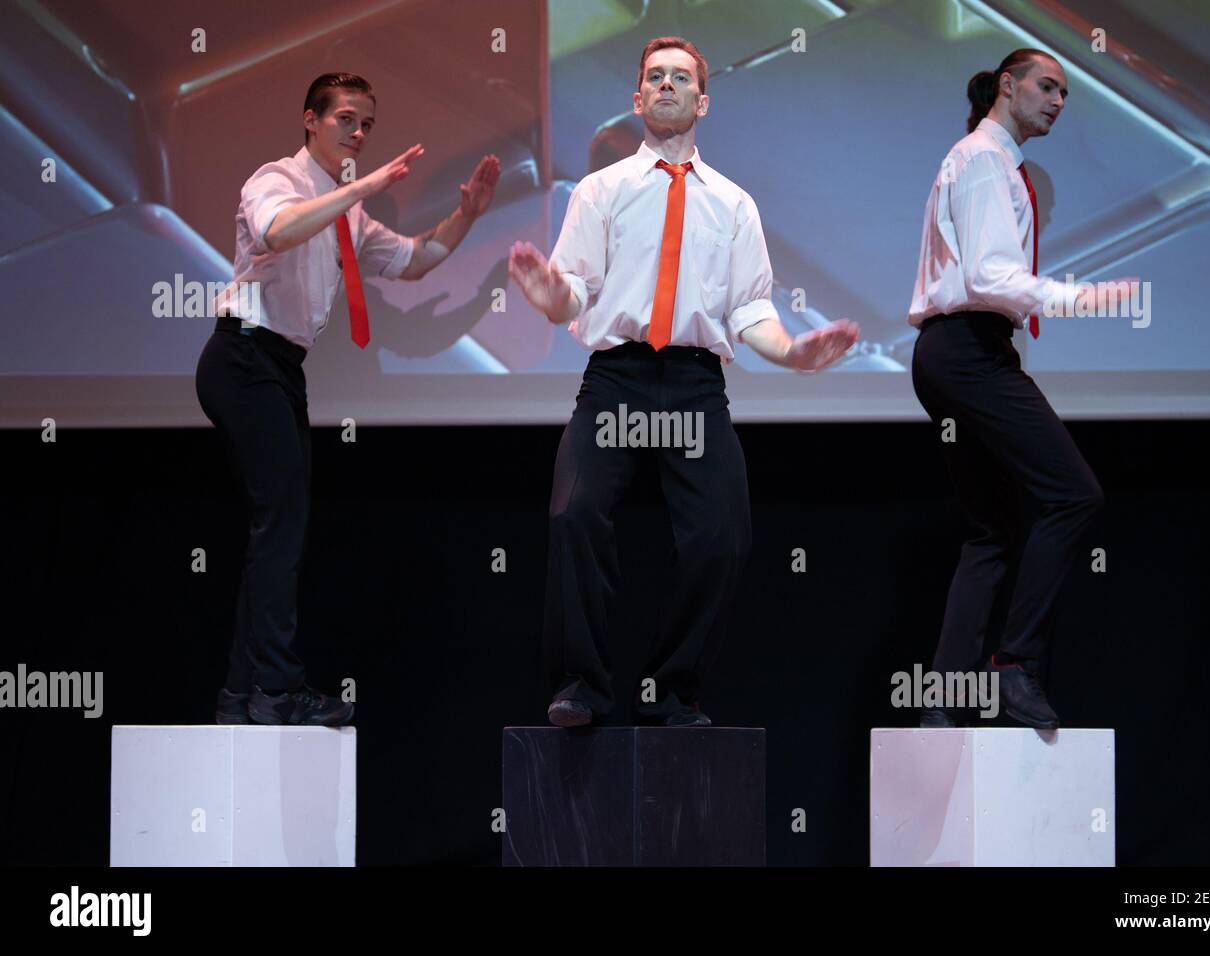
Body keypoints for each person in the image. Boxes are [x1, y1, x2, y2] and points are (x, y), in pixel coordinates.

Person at [509, 37, 859, 728]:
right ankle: (580, 684)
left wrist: (792, 353)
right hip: (618, 376)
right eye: (654, 77)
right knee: (573, 514)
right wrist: (550, 296)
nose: (667, 86)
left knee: (722, 536)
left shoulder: (733, 205)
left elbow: (751, 309)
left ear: (703, 100)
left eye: (681, 78)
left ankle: (674, 689)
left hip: (696, 383)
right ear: (638, 99)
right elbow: (572, 293)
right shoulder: (600, 191)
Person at [197, 73, 500, 725]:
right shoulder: (275, 179)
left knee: (281, 528)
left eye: (366, 124)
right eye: (345, 120)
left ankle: (240, 694)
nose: (358, 133)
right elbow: (277, 232)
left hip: (279, 366)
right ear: (311, 120)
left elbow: (417, 260)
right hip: (242, 355)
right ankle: (276, 691)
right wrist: (360, 187)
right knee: (280, 525)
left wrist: (467, 214)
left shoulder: (346, 210)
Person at [908, 49, 1136, 729]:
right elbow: (989, 273)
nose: (1058, 100)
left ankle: (944, 701)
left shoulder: (993, 160)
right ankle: (1014, 666)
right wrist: (1079, 299)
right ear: (1006, 87)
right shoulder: (982, 157)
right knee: (1073, 493)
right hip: (967, 350)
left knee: (993, 531)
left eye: (1065, 92)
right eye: (1046, 86)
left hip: (958, 353)